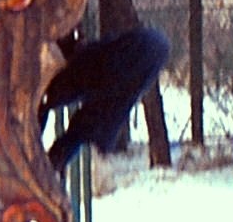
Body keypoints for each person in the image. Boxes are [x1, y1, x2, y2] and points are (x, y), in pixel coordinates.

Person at [41, 24, 170, 171]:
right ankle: (48, 166)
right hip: (80, 73)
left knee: (47, 104)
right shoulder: (124, 83)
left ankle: (47, 166)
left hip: (79, 72)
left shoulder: (112, 60)